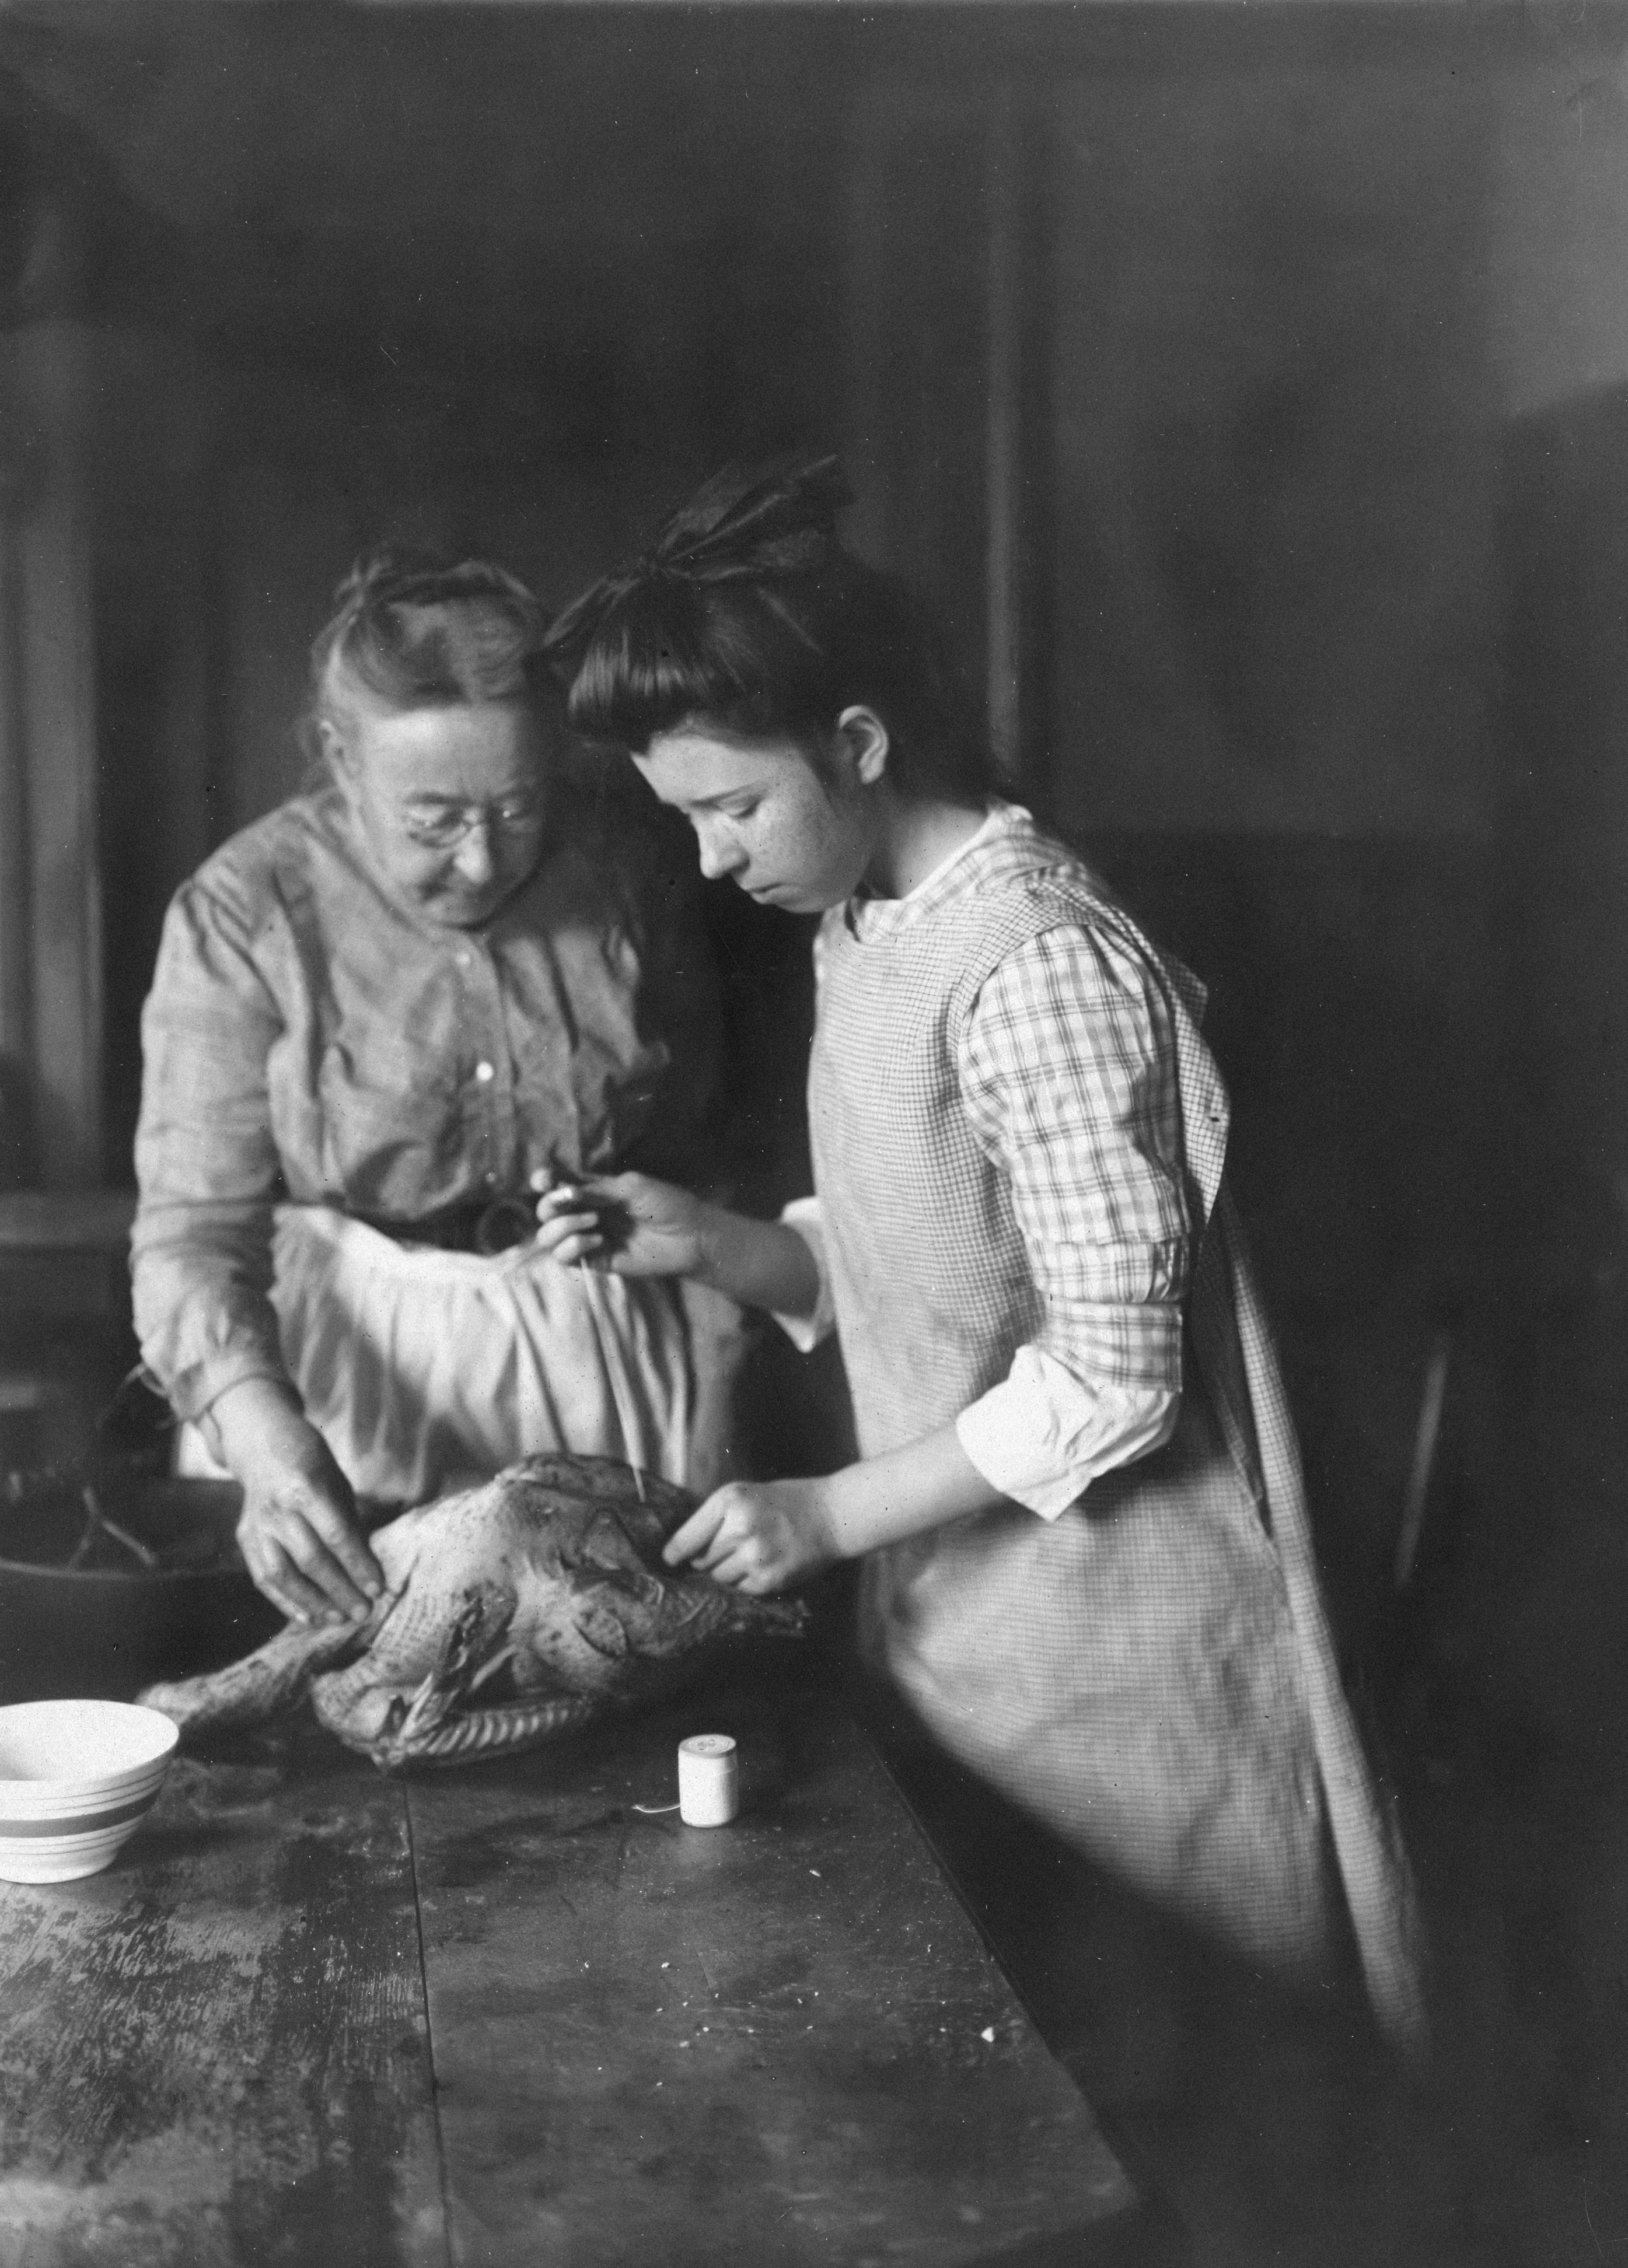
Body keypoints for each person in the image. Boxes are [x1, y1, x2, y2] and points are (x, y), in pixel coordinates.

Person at [536, 457, 1426, 2049]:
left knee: (1177, 2104)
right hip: (973, 1651)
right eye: (683, 819)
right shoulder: (866, 924)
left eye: (729, 807)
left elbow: (1106, 1377)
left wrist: (825, 1513)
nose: (707, 862)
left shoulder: (1035, 964)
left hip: (1135, 1682)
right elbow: (922, 1268)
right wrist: (720, 1245)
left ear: (858, 744)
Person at [132, 547, 735, 1631]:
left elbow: (709, 1161)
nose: (481, 860)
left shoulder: (635, 865)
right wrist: (262, 1442)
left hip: (600, 1355)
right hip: (339, 1383)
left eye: (516, 808)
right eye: (433, 822)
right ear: (339, 756)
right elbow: (191, 1231)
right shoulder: (247, 907)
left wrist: (720, 1413)